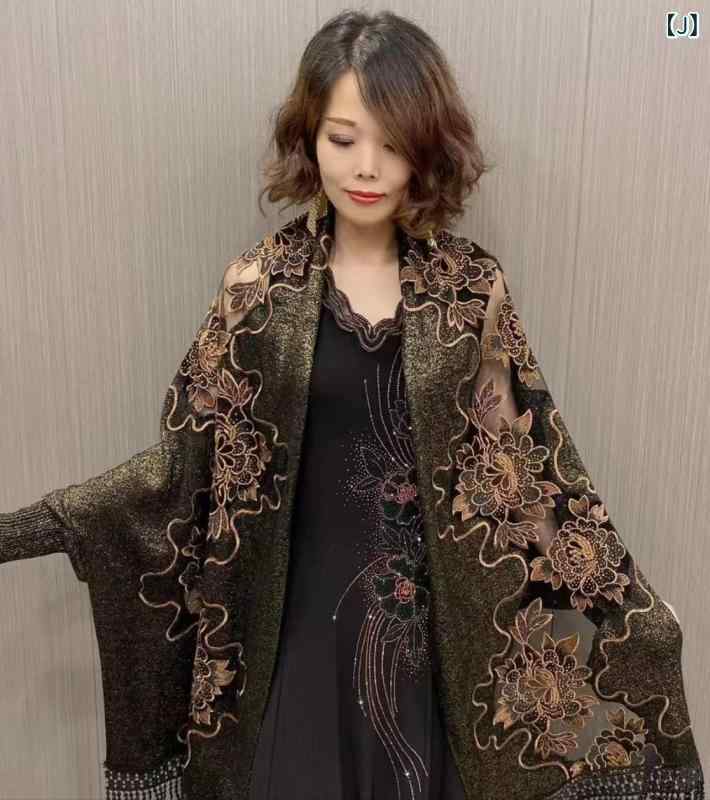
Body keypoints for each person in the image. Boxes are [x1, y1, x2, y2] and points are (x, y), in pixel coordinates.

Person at [1, 9, 704, 800]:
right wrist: (34, 528)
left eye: (393, 143)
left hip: (432, 653)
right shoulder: (257, 292)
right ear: (309, 140)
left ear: (426, 149)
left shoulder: (471, 291)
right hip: (290, 644)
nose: (367, 167)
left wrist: (629, 608)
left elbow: (527, 480)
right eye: (343, 139)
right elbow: (179, 472)